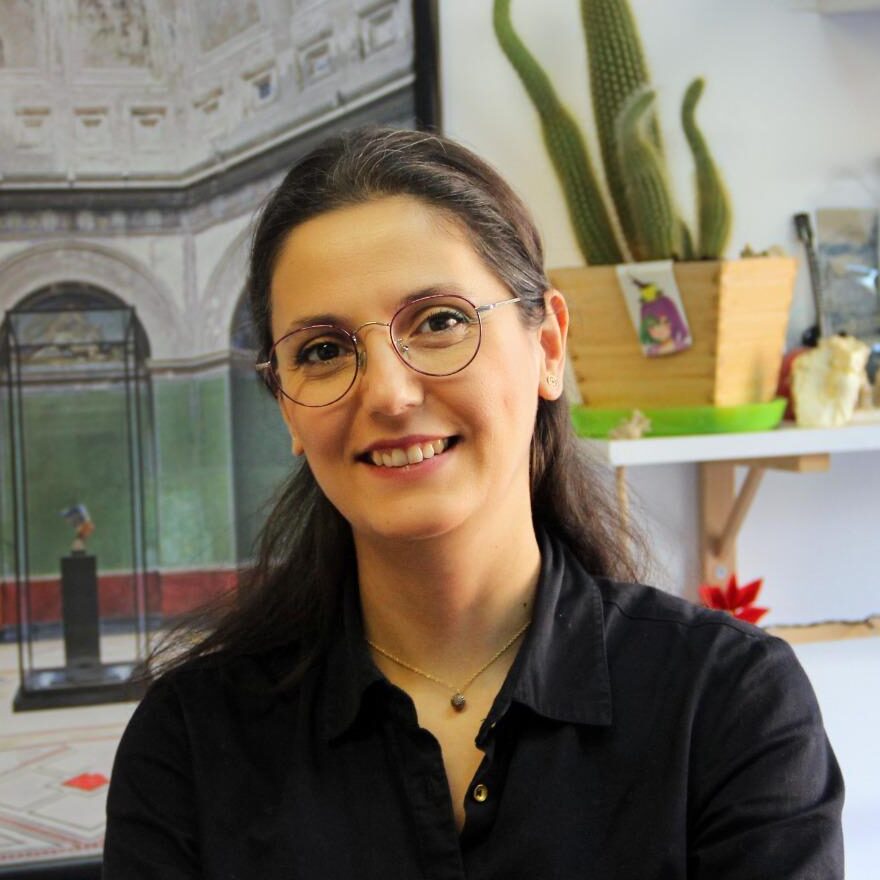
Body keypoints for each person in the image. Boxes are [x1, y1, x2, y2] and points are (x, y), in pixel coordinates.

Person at [103, 127, 844, 879]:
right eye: (323, 350)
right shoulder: (189, 745)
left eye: (439, 322)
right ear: (287, 408)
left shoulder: (726, 704)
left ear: (549, 345)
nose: (390, 394)